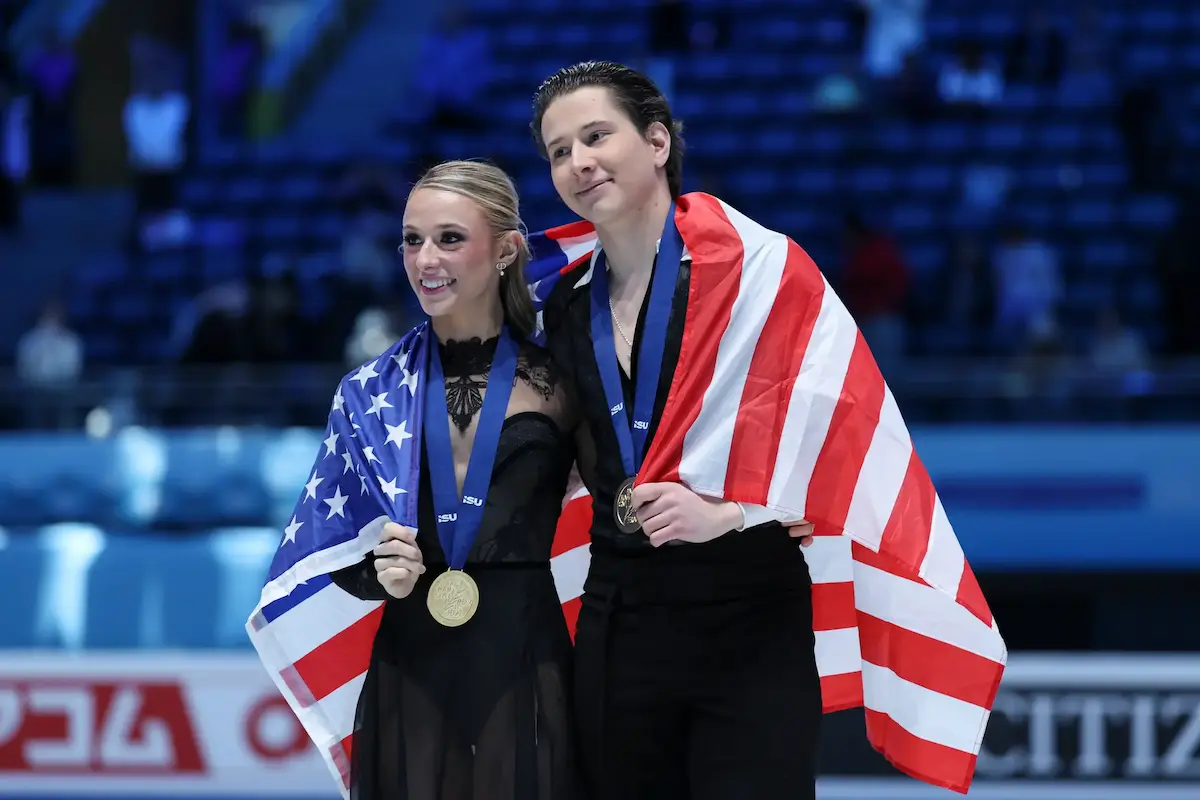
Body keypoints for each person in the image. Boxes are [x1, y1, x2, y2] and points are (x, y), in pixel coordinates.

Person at [532, 61, 822, 800]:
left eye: (596, 136)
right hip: (619, 614)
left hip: (747, 607)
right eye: (559, 151)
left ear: (657, 142)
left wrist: (729, 513)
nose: (578, 162)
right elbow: (569, 451)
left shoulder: (758, 270)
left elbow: (828, 428)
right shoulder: (564, 304)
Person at [305, 160, 585, 799]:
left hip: (525, 654)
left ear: (507, 250)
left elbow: (630, 493)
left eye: (449, 238)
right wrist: (377, 570)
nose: (425, 258)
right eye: (411, 239)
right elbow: (330, 548)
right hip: (413, 661)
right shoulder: (370, 391)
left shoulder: (563, 380)